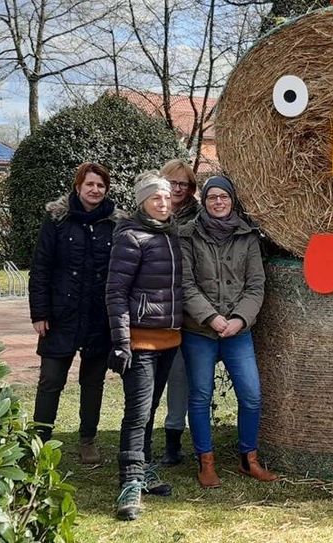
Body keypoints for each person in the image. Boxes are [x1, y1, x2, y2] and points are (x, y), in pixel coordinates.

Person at [178, 174, 277, 488]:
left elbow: (256, 286)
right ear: (204, 202)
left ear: (232, 201)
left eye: (223, 197)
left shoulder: (247, 237)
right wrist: (210, 317)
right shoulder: (188, 236)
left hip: (238, 330)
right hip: (199, 331)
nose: (218, 202)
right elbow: (186, 284)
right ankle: (206, 462)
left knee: (251, 396)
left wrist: (238, 319)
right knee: (200, 396)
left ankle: (249, 459)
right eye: (212, 198)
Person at [106, 171, 184, 521]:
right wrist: (122, 342)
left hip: (168, 339)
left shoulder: (170, 235)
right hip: (139, 340)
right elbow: (116, 293)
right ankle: (130, 485)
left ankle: (145, 470)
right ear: (142, 201)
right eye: (156, 198)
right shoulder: (131, 237)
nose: (164, 203)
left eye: (166, 197)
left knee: (150, 409)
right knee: (137, 414)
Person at [28, 162, 119, 464]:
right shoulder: (56, 220)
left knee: (92, 382)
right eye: (90, 184)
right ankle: (40, 441)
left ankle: (88, 440)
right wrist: (39, 313)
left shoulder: (114, 223)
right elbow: (41, 268)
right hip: (60, 315)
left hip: (97, 317)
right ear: (78, 187)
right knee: (51, 380)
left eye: (101, 186)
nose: (95, 190)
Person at [148, 159, 200, 466]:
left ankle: (173, 439)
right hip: (153, 307)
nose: (179, 189)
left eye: (185, 185)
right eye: (173, 183)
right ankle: (140, 439)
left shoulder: (201, 217)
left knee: (179, 376)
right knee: (147, 378)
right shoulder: (150, 214)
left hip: (184, 309)